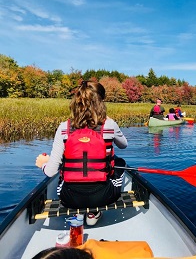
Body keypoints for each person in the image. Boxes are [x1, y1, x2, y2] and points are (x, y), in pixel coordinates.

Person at [35, 81, 128, 226]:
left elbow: (51, 171)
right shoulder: (109, 125)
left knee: (61, 167)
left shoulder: (63, 128)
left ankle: (78, 212)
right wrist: (108, 120)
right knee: (120, 162)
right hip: (104, 196)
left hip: (69, 198)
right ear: (101, 102)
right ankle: (93, 213)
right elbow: (124, 145)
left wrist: (43, 164)